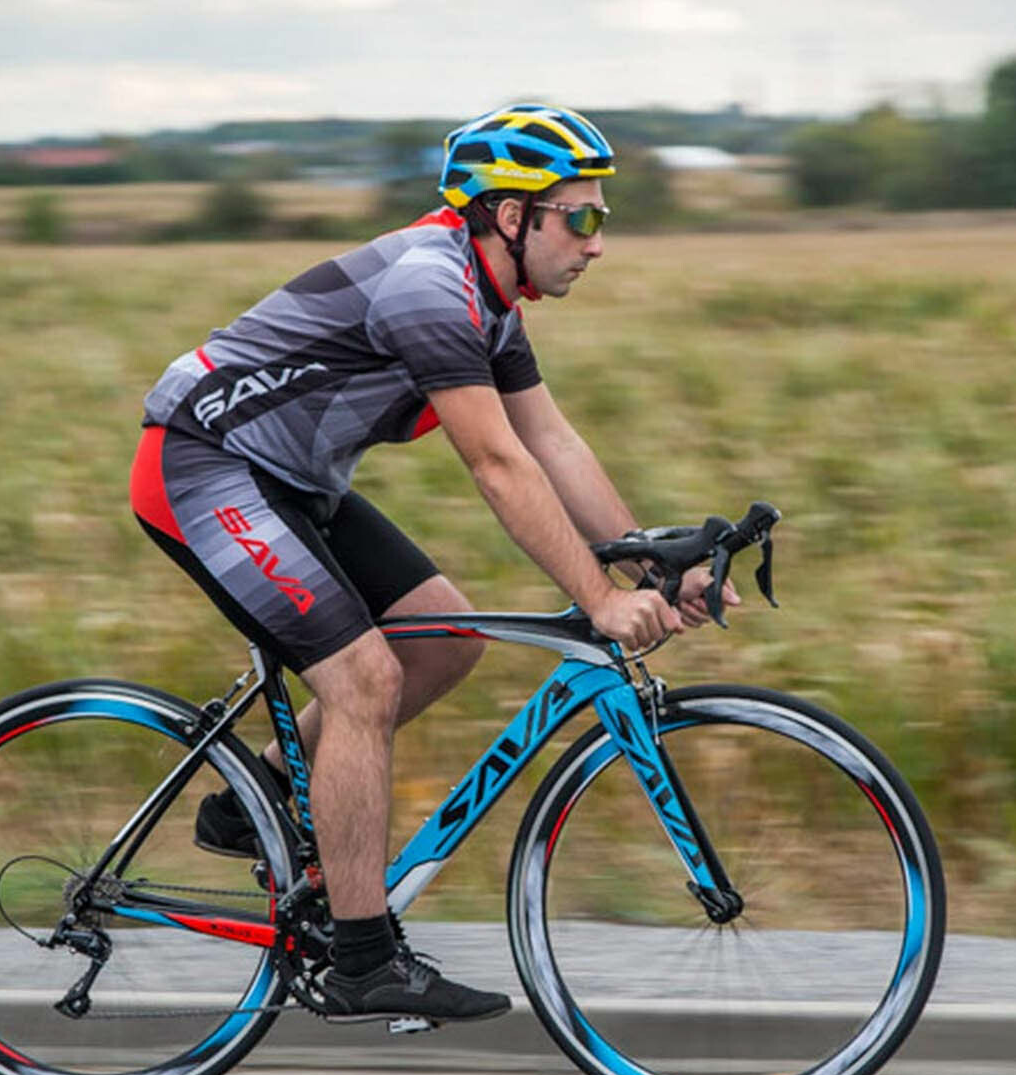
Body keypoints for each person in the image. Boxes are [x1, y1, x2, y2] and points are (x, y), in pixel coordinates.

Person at [131, 104, 732, 1025]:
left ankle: (257, 795)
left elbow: (553, 442)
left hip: (291, 482)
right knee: (363, 679)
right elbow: (497, 463)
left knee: (446, 639)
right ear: (509, 216)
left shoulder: (490, 301)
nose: (596, 242)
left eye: (599, 218)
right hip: (202, 467)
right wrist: (596, 600)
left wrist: (653, 566)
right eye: (581, 217)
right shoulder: (428, 286)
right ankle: (362, 962)